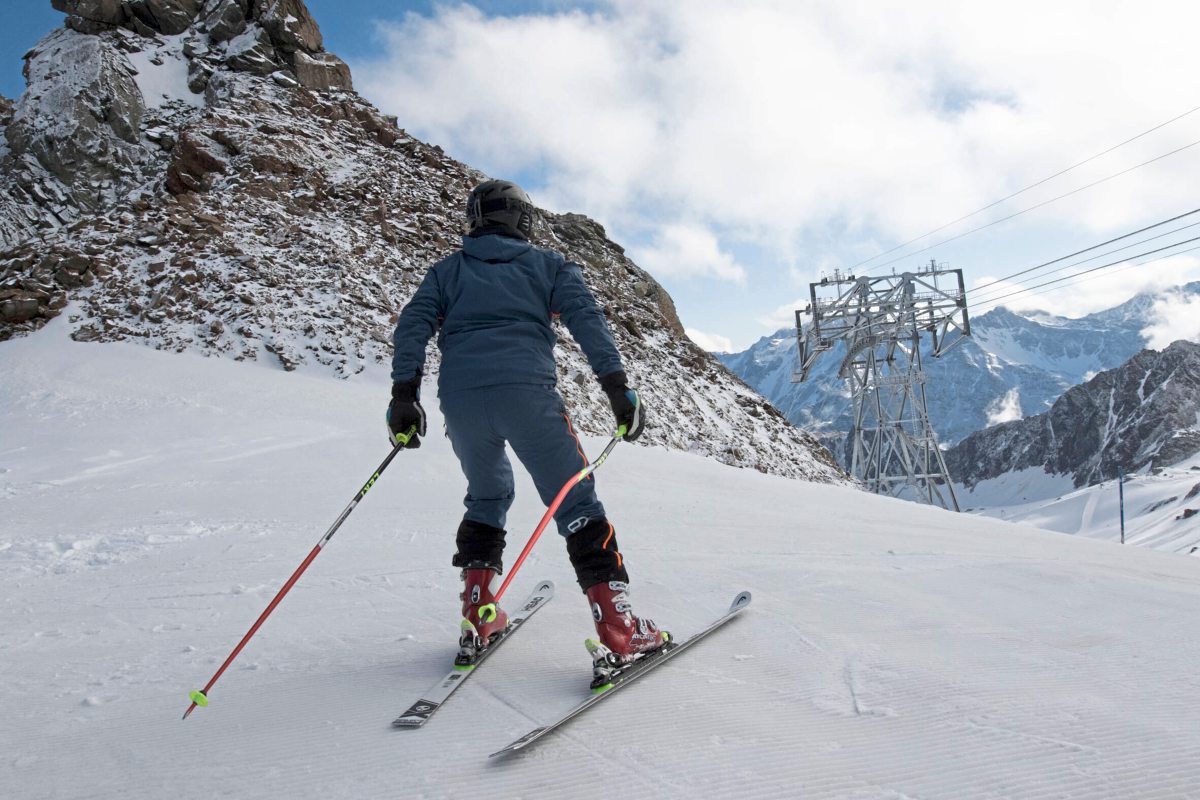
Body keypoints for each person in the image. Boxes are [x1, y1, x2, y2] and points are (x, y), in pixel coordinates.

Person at [386, 179, 667, 680]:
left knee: (488, 494)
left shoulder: (446, 272)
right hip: (528, 395)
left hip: (462, 402)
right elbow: (588, 322)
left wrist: (404, 396)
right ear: (523, 220)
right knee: (575, 502)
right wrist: (617, 389)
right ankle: (620, 627)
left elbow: (413, 325)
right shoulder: (550, 266)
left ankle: (479, 611)